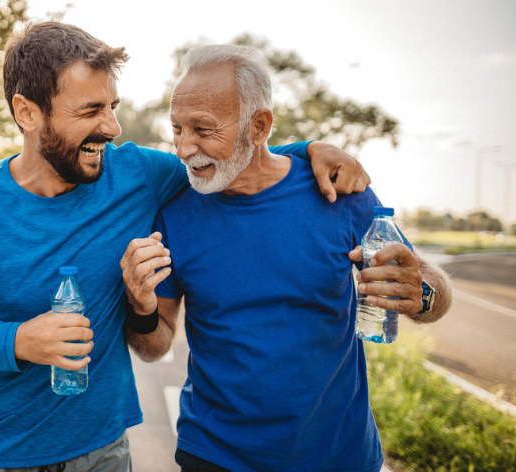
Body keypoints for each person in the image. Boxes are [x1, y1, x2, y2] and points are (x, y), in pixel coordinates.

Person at [0, 22, 371, 471]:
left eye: (113, 105)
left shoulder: (138, 176)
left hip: (101, 450)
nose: (112, 127)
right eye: (90, 111)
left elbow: (233, 156)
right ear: (27, 113)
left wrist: (310, 150)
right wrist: (18, 341)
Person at [120, 44, 452, 472]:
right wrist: (142, 308)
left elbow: (431, 291)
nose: (184, 148)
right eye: (177, 128)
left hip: (339, 455)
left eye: (203, 130)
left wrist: (421, 294)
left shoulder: (338, 193)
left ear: (259, 127)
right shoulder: (174, 212)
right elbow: (155, 345)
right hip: (215, 455)